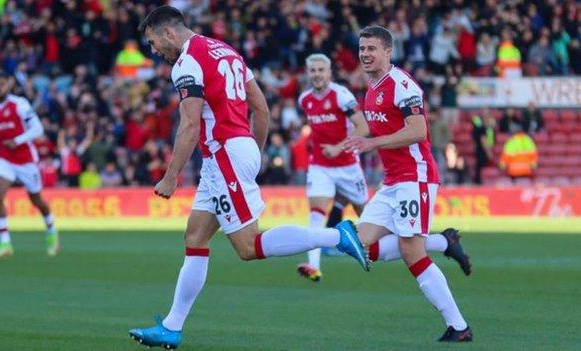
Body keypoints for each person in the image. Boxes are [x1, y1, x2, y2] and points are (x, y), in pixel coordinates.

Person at [128, 6, 369, 349]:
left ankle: (335, 235)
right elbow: (261, 107)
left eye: (153, 43)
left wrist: (171, 176)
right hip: (232, 153)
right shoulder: (226, 51)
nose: (155, 51)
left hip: (224, 154)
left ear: (168, 33)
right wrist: (251, 152)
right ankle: (171, 326)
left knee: (248, 246)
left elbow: (191, 124)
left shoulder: (186, 63)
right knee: (195, 236)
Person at [343, 26, 473, 342]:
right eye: (362, 48)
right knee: (363, 245)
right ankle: (445, 242)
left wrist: (373, 143)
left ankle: (459, 327)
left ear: (389, 51)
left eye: (372, 48)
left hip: (415, 177)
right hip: (392, 182)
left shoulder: (402, 84)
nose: (365, 54)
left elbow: (418, 131)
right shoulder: (371, 88)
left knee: (411, 251)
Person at [295, 53, 370, 282]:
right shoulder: (304, 99)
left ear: (329, 73)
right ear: (308, 74)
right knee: (316, 215)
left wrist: (338, 148)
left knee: (366, 216)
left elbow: (363, 127)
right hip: (320, 166)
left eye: (321, 70)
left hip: (347, 165)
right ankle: (314, 266)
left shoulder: (341, 95)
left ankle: (380, 252)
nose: (317, 74)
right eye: (313, 71)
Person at [0, 71, 59, 258]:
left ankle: (51, 229)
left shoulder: (19, 104)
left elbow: (38, 129)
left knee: (36, 200)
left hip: (26, 160)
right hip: (5, 159)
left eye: (1, 84)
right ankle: (5, 243)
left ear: (8, 85)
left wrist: (17, 140)